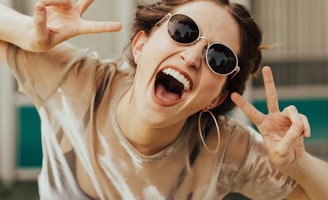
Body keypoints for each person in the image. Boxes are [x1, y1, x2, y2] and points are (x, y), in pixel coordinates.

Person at [0, 0, 327, 199]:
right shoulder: (73, 80)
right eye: (184, 31)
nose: (192, 57)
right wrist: (26, 32)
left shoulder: (223, 147)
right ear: (141, 45)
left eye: (220, 58)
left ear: (215, 98)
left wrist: (297, 164)